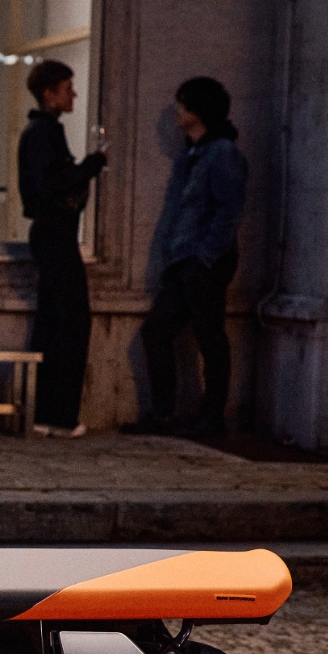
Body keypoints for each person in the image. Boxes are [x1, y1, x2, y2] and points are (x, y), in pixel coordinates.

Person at [124, 76, 249, 438]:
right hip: (186, 261)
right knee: (158, 331)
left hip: (204, 261)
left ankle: (212, 418)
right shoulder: (192, 155)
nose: (176, 111)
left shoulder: (221, 153)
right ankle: (166, 414)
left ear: (198, 109)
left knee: (209, 337)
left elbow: (229, 211)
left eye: (182, 103)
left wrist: (204, 257)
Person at [17, 59, 107, 438]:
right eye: (67, 88)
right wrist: (92, 164)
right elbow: (51, 184)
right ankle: (58, 414)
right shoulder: (43, 133)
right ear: (49, 93)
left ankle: (46, 412)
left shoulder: (43, 131)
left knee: (56, 320)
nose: (74, 94)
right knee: (70, 322)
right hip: (56, 234)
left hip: (53, 233)